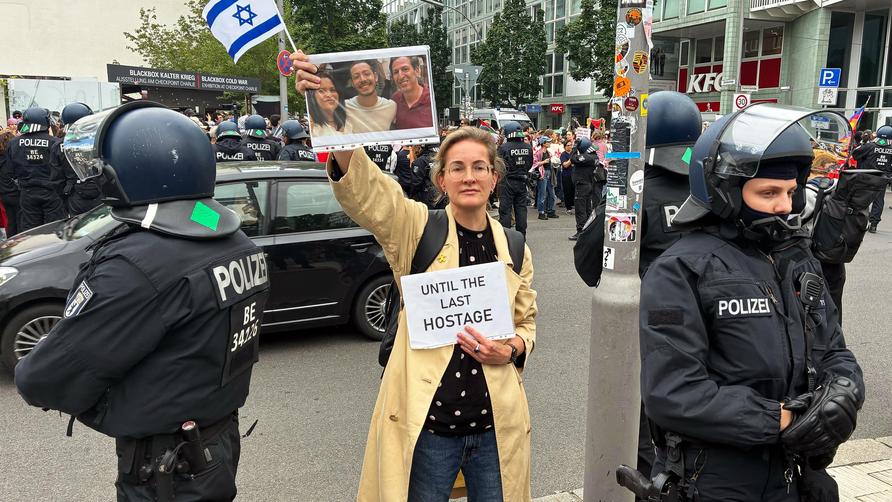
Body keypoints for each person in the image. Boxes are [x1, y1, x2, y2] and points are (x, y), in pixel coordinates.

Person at [293, 51, 538, 501]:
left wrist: (513, 347)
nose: (469, 176)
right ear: (441, 180)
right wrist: (329, 114)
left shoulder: (514, 245)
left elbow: (526, 323)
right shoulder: (417, 228)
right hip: (430, 431)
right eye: (457, 168)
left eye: (480, 167)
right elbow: (369, 191)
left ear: (494, 179)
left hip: (494, 429)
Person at [15, 101, 268, 501]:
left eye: (103, 170)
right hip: (217, 441)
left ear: (135, 172)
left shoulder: (138, 266)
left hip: (166, 466)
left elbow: (42, 378)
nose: (98, 181)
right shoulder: (234, 242)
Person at [636, 105, 864, 501]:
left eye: (790, 192)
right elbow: (673, 392)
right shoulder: (679, 269)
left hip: (795, 474)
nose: (784, 205)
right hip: (713, 481)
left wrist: (844, 393)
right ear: (725, 191)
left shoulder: (796, 259)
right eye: (768, 192)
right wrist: (783, 419)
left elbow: (834, 351)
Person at [573, 91, 702, 479]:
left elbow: (588, 260)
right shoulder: (713, 192)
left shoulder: (632, 197)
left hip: (650, 333)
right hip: (708, 333)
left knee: (646, 432)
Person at [5, 107, 66, 232]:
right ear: (45, 122)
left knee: (30, 233)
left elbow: (10, 171)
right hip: (52, 193)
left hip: (27, 193)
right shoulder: (54, 142)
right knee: (54, 231)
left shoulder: (13, 143)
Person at [59, 102, 103, 215]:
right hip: (100, 191)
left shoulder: (58, 145)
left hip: (74, 194)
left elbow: (56, 178)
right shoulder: (100, 141)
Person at [852, 124, 892, 233]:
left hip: (868, 176)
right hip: (883, 178)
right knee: (878, 201)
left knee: (862, 198)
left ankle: (858, 222)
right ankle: (873, 225)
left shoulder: (870, 145)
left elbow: (855, 154)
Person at [498, 121, 533, 236]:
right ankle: (521, 237)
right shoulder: (528, 147)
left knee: (505, 210)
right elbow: (530, 164)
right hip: (522, 181)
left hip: (507, 181)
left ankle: (506, 237)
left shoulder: (504, 148)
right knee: (521, 209)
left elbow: (498, 164)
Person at [345, 60, 397, 133]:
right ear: (352, 83)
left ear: (375, 77)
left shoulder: (391, 106)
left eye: (366, 74)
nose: (362, 79)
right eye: (356, 77)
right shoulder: (345, 107)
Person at [568, 137, 599, 241]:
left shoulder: (587, 157)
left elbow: (572, 159)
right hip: (588, 184)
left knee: (581, 209)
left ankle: (580, 231)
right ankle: (587, 230)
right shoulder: (594, 156)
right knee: (587, 209)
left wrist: (574, 148)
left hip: (582, 185)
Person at [390, 56, 434, 130]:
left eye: (405, 69)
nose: (400, 76)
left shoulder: (431, 99)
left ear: (417, 71)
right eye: (396, 72)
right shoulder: (394, 100)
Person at [308, 71, 350, 137]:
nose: (329, 95)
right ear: (313, 96)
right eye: (321, 91)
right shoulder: (313, 128)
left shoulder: (350, 121)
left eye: (332, 90)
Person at [0, 129, 21, 236]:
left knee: (10, 223)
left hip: (3, 195)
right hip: (16, 194)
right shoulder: (13, 158)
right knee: (21, 222)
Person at [409, 143, 441, 208]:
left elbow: (416, 183)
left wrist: (411, 197)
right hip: (443, 196)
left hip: (427, 199)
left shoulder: (421, 161)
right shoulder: (445, 157)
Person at [534, 136, 558, 220]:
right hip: (542, 174)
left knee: (552, 193)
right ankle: (541, 212)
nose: (550, 143)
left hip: (549, 173)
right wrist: (544, 162)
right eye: (548, 142)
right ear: (544, 143)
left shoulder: (548, 152)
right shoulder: (538, 152)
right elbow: (534, 163)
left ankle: (550, 210)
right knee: (542, 194)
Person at [560, 140, 574, 215]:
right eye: (568, 145)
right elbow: (565, 165)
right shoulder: (563, 154)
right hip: (566, 175)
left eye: (571, 145)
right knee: (567, 191)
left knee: (573, 190)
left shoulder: (573, 153)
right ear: (565, 147)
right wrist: (571, 160)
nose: (570, 147)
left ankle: (573, 205)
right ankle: (568, 208)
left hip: (574, 174)